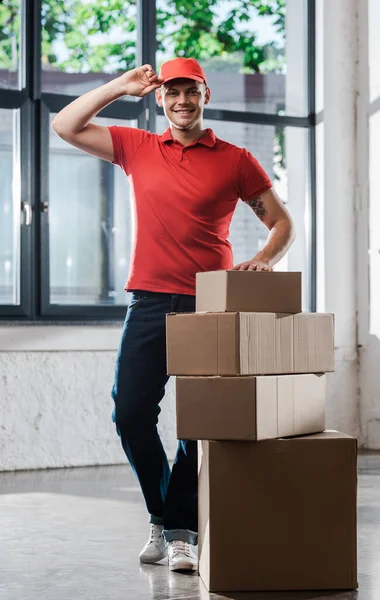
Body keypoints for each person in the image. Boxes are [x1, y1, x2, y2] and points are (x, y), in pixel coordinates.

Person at [52, 57, 295, 573]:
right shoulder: (137, 148)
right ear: (160, 99)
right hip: (149, 299)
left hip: (211, 301)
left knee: (196, 421)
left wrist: (264, 259)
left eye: (192, 91)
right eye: (173, 93)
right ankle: (162, 516)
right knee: (130, 413)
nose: (183, 101)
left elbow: (281, 222)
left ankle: (180, 532)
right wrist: (122, 86)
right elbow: (64, 124)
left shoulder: (236, 160)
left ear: (206, 94)